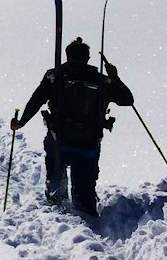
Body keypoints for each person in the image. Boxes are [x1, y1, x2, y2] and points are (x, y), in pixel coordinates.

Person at [11, 37, 134, 217]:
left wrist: (20, 122)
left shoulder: (54, 76)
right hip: (89, 142)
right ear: (88, 58)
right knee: (84, 183)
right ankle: (85, 206)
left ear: (67, 56)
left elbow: (36, 101)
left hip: (59, 140)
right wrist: (115, 78)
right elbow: (127, 100)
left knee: (55, 173)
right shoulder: (101, 80)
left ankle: (56, 197)